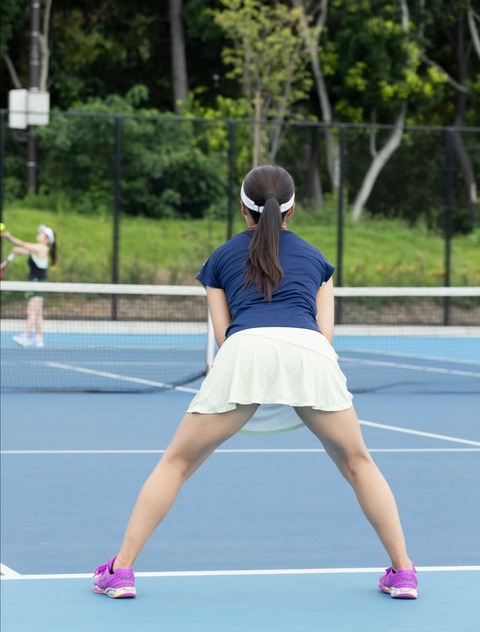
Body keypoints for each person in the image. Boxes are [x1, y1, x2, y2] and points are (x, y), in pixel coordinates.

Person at [93, 164, 418, 600]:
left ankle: (121, 572)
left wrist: (260, 366)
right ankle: (403, 572)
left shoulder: (219, 258)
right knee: (359, 463)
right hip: (311, 354)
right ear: (292, 210)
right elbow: (323, 335)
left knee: (176, 463)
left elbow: (223, 336)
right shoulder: (318, 260)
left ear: (243, 209)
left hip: (244, 352)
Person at [2, 224, 57, 348]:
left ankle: (24, 336)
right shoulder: (36, 249)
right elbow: (22, 249)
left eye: (42, 233)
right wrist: (13, 252)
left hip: (38, 284)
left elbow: (23, 244)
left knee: (31, 312)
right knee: (38, 313)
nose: (39, 234)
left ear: (47, 239)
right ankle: (38, 338)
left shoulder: (42, 248)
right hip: (36, 283)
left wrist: (9, 237)